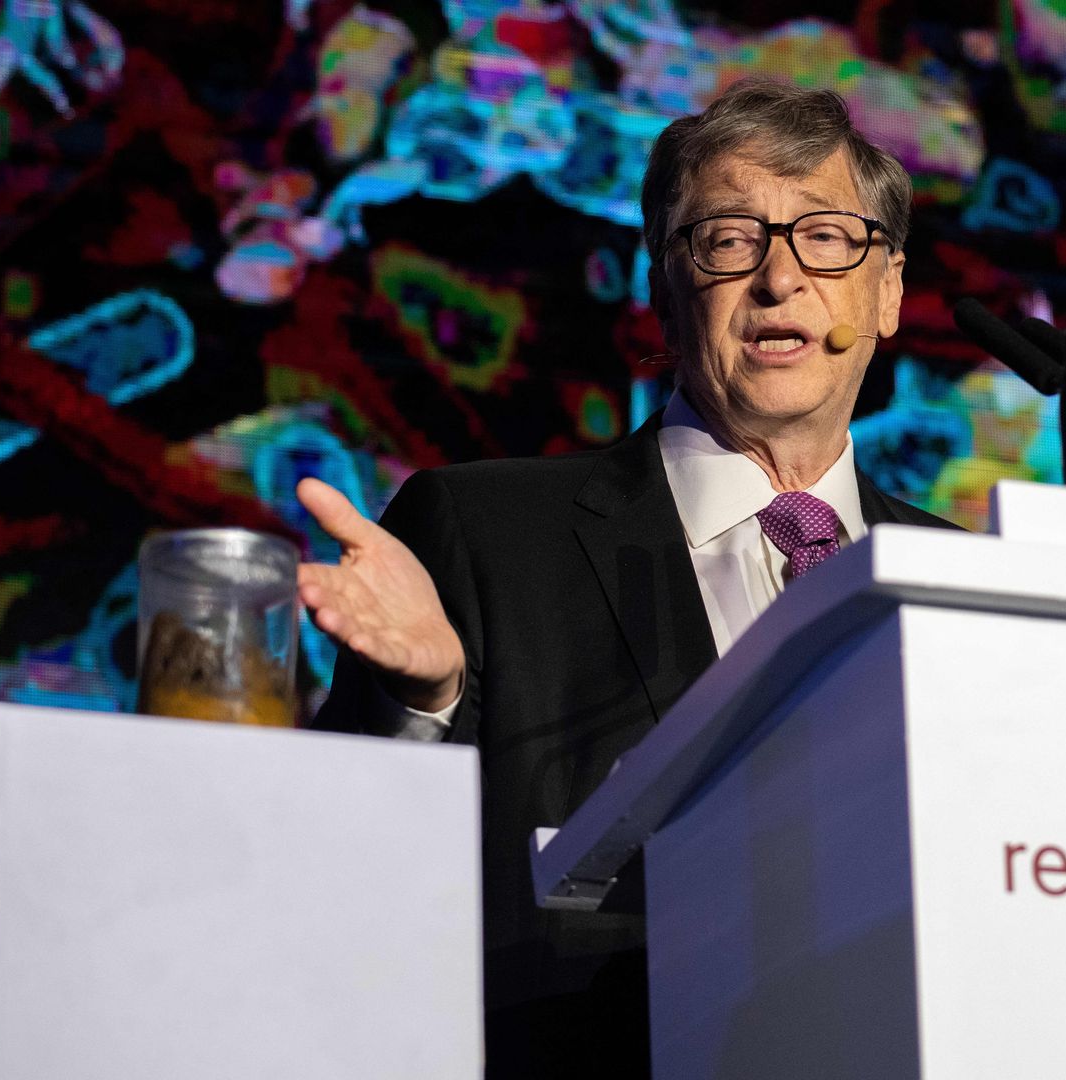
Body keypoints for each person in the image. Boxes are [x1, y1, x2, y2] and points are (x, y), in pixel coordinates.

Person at [301, 79, 958, 1078]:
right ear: (662, 285)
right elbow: (336, 878)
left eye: (826, 237)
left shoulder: (965, 585)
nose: (780, 280)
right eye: (729, 240)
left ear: (888, 292)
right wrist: (421, 703)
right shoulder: (486, 532)